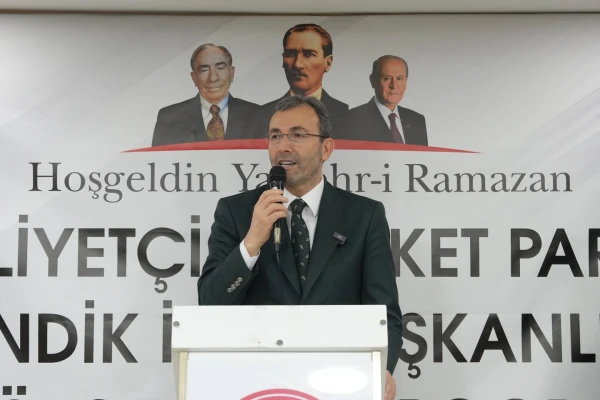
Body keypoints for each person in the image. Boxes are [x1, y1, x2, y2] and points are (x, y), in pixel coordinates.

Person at [198, 95, 402, 400]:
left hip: (339, 382)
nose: (283, 146)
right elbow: (210, 304)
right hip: (257, 384)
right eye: (275, 136)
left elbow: (384, 313)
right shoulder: (236, 212)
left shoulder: (364, 215)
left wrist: (382, 369)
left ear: (326, 148)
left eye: (297, 135)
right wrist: (252, 242)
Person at [243, 23, 349, 139]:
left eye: (308, 54)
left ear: (328, 63)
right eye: (290, 54)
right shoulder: (261, 115)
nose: (297, 64)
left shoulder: (347, 115)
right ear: (283, 60)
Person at [151, 43, 259, 146]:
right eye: (204, 70)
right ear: (194, 78)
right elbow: (159, 158)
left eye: (220, 68)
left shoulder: (257, 115)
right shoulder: (169, 117)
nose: (213, 78)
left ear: (232, 73)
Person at [345, 55, 428, 145]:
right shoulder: (351, 120)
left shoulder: (417, 120)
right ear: (372, 81)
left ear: (406, 82)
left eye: (399, 78)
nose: (394, 86)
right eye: (387, 78)